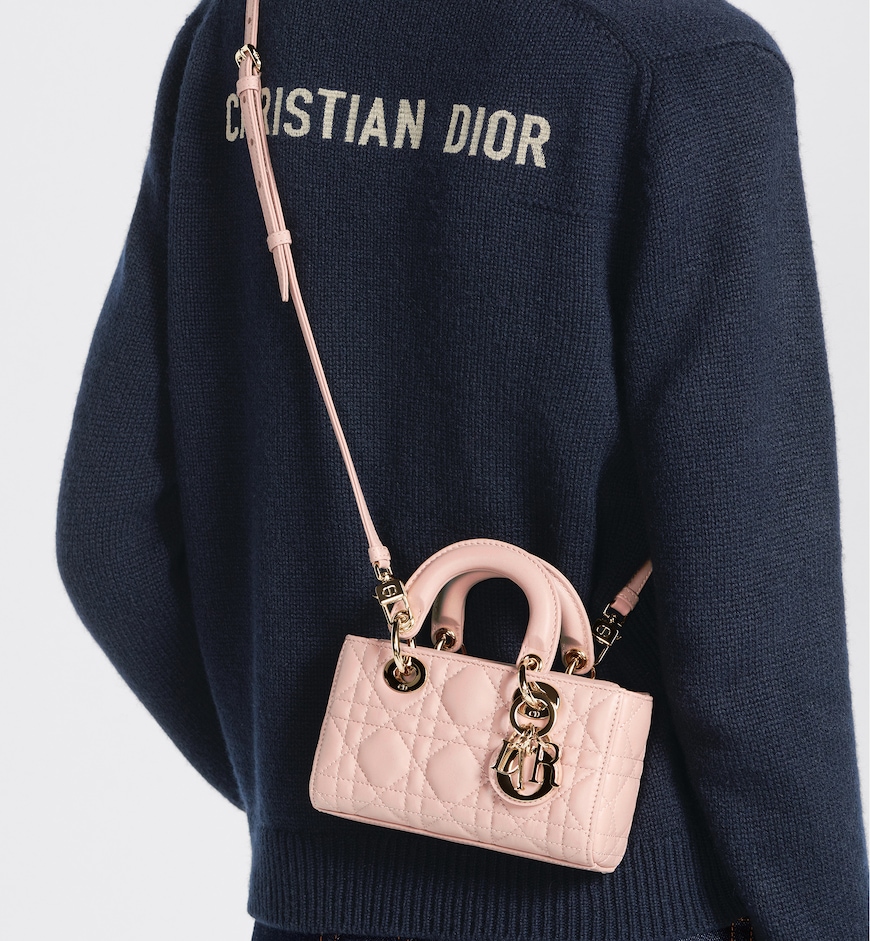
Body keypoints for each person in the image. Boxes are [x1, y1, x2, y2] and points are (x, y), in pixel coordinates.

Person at [56, 0, 867, 939]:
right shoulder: (690, 68)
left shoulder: (242, 36)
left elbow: (106, 532)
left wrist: (322, 797)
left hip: (319, 913)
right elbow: (753, 609)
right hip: (621, 911)